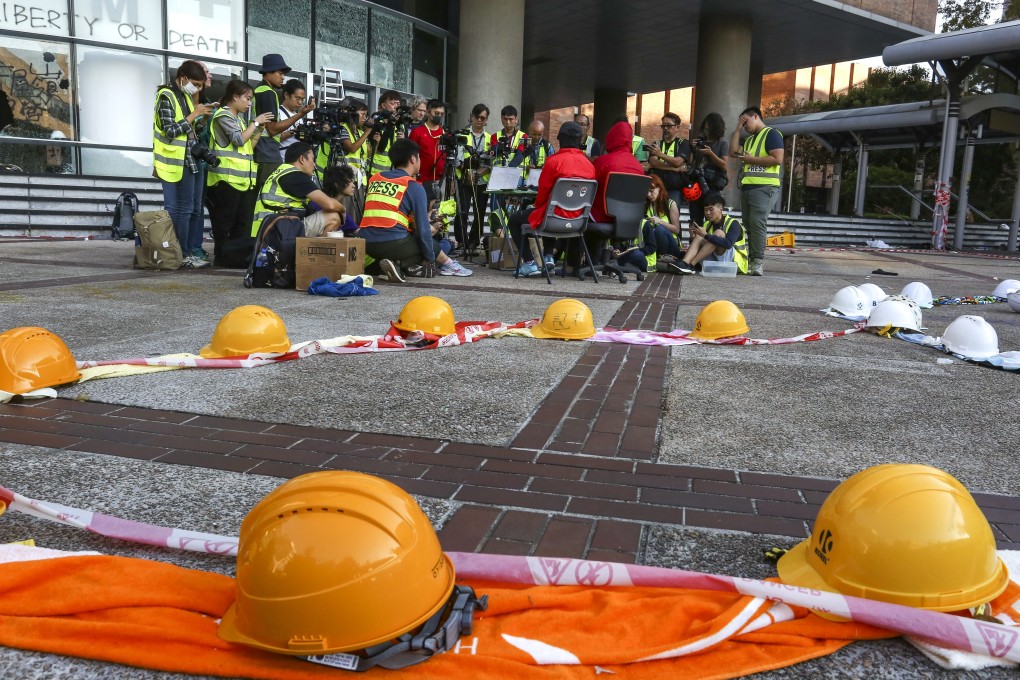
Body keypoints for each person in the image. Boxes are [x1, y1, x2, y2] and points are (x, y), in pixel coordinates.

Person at [359, 138, 471, 281]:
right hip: (394, 244)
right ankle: (448, 265)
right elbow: (423, 230)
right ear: (413, 159)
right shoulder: (413, 186)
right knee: (430, 243)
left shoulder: (374, 179)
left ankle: (392, 266)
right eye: (419, 157)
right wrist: (430, 258)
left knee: (415, 241)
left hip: (367, 243)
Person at [506, 121, 595, 277]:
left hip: (552, 219)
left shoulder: (553, 161)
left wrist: (536, 206)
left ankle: (530, 263)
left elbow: (542, 195)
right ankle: (548, 257)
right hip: (579, 220)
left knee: (515, 220)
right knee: (547, 211)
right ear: (580, 140)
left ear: (560, 139)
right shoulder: (589, 165)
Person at [152, 59, 214, 268]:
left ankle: (190, 250)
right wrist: (194, 114)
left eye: (200, 85)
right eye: (195, 84)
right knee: (182, 209)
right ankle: (181, 253)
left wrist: (201, 117)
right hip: (176, 162)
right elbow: (170, 130)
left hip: (191, 160)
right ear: (183, 78)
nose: (197, 88)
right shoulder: (166, 96)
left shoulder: (184, 97)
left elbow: (189, 129)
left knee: (195, 208)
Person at [206, 79, 272, 266]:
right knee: (224, 224)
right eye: (247, 98)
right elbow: (238, 140)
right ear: (235, 97)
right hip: (225, 182)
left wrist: (259, 129)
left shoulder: (239, 120)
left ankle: (235, 258)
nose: (249, 103)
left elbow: (249, 146)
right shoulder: (223, 116)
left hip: (242, 181)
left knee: (242, 224)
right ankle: (222, 258)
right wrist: (255, 122)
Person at [730, 105, 783, 276]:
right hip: (749, 186)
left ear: (755, 116)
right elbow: (732, 152)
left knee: (757, 223)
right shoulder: (750, 140)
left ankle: (757, 262)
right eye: (742, 124)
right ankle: (752, 260)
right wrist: (737, 129)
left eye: (745, 122)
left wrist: (751, 159)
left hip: (764, 187)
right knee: (749, 224)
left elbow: (777, 159)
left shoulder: (772, 134)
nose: (744, 126)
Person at [252, 54, 315, 193]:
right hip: (267, 154)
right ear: (268, 72)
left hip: (261, 150)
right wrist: (301, 114)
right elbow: (272, 130)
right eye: (280, 73)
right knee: (268, 196)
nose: (283, 77)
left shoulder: (259, 90)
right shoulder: (268, 92)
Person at [250, 142, 342, 238]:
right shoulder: (295, 176)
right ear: (302, 159)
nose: (315, 166)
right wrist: (343, 211)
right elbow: (330, 205)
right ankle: (311, 253)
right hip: (276, 231)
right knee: (333, 217)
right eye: (313, 160)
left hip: (268, 228)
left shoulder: (281, 172)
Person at [670, 192, 748, 275]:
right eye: (705, 210)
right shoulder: (707, 224)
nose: (707, 213)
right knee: (700, 236)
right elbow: (704, 245)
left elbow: (728, 244)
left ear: (720, 209)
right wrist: (693, 237)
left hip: (733, 262)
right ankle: (685, 264)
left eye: (711, 209)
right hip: (714, 259)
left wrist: (706, 235)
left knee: (718, 233)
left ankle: (691, 265)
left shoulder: (733, 223)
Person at [456, 103, 491, 249]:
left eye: (483, 118)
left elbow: (491, 161)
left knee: (479, 213)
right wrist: (467, 170)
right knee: (461, 211)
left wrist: (479, 172)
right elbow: (457, 158)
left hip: (481, 180)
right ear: (472, 117)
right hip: (464, 178)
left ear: (486, 120)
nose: (479, 120)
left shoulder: (490, 138)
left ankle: (474, 242)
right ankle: (461, 241)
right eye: (477, 117)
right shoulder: (462, 134)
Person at [686, 112, 729, 226]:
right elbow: (691, 162)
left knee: (714, 219)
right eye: (704, 129)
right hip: (697, 184)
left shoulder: (722, 143)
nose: (706, 132)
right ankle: (695, 241)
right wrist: (692, 148)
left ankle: (712, 240)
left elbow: (724, 164)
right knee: (695, 219)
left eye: (709, 129)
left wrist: (711, 154)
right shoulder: (701, 141)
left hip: (712, 186)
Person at [408, 99, 447, 203]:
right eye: (436, 113)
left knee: (439, 214)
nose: (439, 116)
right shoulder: (417, 132)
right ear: (428, 112)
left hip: (441, 180)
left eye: (441, 114)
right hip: (421, 180)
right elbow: (410, 156)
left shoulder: (445, 133)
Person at [647, 112, 690, 206]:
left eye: (669, 125)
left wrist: (660, 154)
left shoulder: (683, 143)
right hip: (656, 188)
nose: (665, 128)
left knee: (672, 215)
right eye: (663, 125)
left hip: (674, 188)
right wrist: (674, 169)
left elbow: (678, 162)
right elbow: (653, 163)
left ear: (677, 127)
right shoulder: (656, 143)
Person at [645, 173, 683, 263]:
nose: (649, 195)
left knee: (659, 229)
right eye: (646, 192)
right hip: (653, 243)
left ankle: (661, 259)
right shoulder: (646, 205)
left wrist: (660, 221)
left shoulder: (670, 204)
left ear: (659, 188)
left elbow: (677, 229)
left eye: (651, 191)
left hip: (671, 246)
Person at [367, 89, 404, 176]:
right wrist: (389, 125)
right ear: (383, 105)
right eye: (392, 103)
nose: (396, 107)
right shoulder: (376, 123)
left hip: (392, 172)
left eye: (398, 104)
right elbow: (380, 147)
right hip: (374, 171)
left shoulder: (400, 126)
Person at [277, 79, 307, 158]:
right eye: (297, 98)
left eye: (302, 99)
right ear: (286, 95)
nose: (300, 103)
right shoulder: (278, 113)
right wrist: (295, 131)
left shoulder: (298, 116)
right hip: (283, 160)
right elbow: (274, 139)